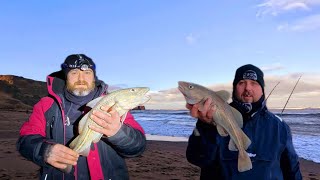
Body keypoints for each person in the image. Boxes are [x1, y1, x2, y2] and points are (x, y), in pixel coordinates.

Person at [17, 54, 146, 180]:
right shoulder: (45, 105)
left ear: (94, 77)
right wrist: (44, 150)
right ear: (66, 76)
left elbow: (138, 146)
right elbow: (25, 140)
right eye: (74, 72)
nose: (81, 78)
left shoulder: (114, 107)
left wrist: (118, 133)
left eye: (87, 73)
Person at [186, 64, 302, 179]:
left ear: (262, 90)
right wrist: (206, 126)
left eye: (254, 83)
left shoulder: (280, 126)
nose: (247, 88)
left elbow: (292, 168)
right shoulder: (211, 120)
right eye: (241, 83)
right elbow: (197, 158)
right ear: (234, 88)